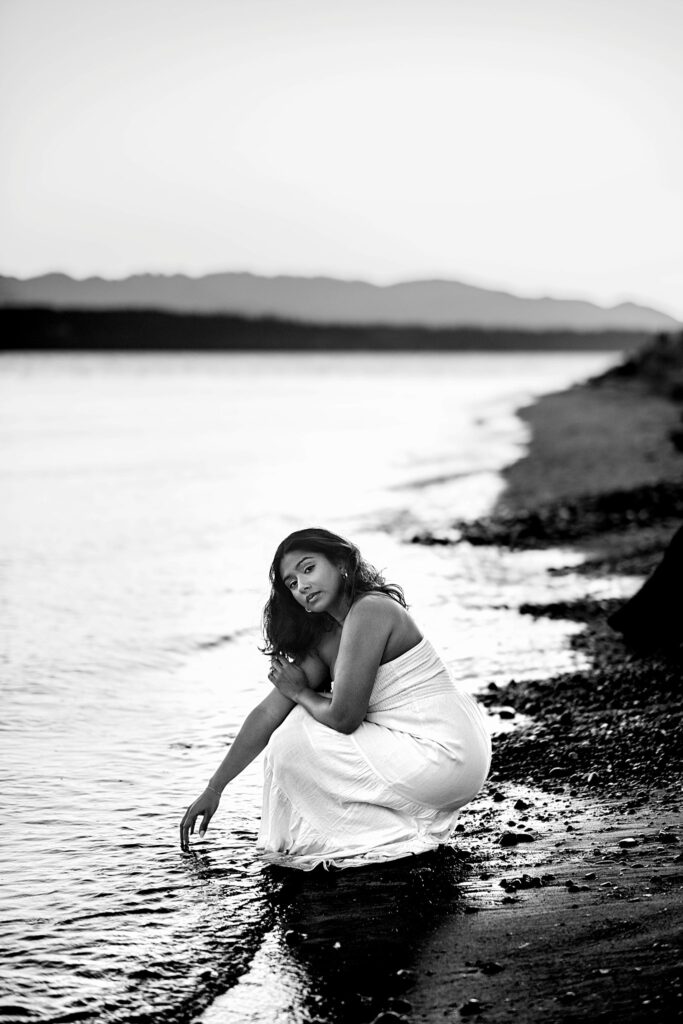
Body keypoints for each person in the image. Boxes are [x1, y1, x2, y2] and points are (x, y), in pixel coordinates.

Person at [180, 528, 492, 870]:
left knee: (298, 732)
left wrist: (300, 691)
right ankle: (385, 831)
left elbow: (345, 718)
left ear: (342, 563)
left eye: (308, 569)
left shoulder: (371, 610)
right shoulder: (328, 640)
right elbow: (268, 712)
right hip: (441, 752)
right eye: (291, 583)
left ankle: (390, 836)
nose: (301, 586)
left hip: (445, 752)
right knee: (293, 722)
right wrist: (215, 788)